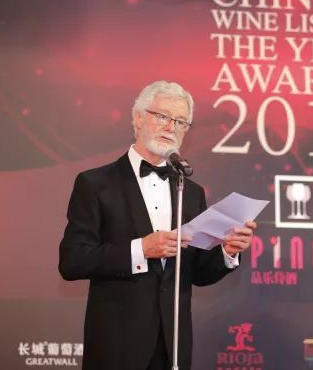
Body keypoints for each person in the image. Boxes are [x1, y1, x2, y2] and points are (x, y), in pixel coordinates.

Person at [58, 80, 256, 370]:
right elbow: (73, 261)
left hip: (172, 347)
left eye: (180, 121)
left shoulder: (190, 192)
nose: (170, 127)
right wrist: (141, 249)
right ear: (138, 117)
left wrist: (227, 251)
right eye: (163, 116)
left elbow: (197, 272)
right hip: (117, 347)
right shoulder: (95, 183)